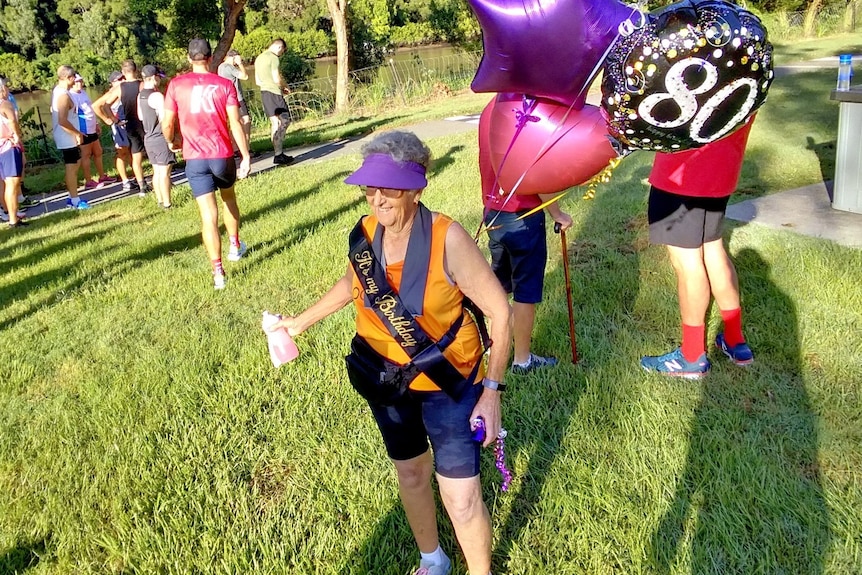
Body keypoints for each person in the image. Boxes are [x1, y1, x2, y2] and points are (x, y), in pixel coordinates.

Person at [270, 131, 513, 575]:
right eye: (370, 188)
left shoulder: (449, 239)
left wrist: (492, 391)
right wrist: (300, 321)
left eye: (389, 189)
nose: (377, 200)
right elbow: (353, 285)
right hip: (383, 378)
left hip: (449, 383)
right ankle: (432, 560)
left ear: (417, 188)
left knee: (461, 496)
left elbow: (500, 313)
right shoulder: (365, 234)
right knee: (411, 473)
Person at [640, 119, 756, 379]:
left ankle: (692, 357)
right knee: (713, 248)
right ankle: (735, 341)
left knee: (687, 262)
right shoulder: (752, 74)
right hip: (722, 171)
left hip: (680, 175)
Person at [478, 106, 572, 374]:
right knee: (525, 291)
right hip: (523, 214)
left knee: (498, 286)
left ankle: (492, 348)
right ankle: (522, 358)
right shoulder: (524, 114)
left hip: (493, 212)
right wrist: (558, 213)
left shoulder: (491, 109)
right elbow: (535, 176)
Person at [162, 38, 251, 290]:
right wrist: (245, 155)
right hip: (221, 155)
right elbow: (235, 123)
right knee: (229, 199)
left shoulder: (176, 85)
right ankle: (235, 246)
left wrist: (171, 141)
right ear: (211, 58)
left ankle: (218, 272)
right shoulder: (224, 84)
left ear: (189, 58)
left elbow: (167, 123)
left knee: (208, 217)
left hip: (195, 158)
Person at [94, 61, 147, 195]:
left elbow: (105, 106)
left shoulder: (123, 88)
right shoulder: (136, 86)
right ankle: (133, 183)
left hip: (129, 124)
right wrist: (111, 120)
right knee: (128, 153)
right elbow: (97, 106)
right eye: (118, 79)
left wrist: (114, 120)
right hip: (132, 123)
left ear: (124, 73)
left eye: (121, 77)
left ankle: (140, 183)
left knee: (134, 154)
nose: (121, 80)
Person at [51, 65, 90, 210]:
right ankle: (74, 200)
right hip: (66, 137)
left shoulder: (59, 91)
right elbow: (62, 120)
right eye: (74, 76)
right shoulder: (63, 95)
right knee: (71, 168)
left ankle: (72, 195)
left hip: (68, 136)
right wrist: (77, 133)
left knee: (76, 163)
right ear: (69, 78)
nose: (76, 79)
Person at [138, 65, 175, 208]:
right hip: (160, 137)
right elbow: (164, 120)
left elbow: (141, 117)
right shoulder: (157, 96)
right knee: (165, 172)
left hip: (148, 137)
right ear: (153, 78)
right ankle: (167, 204)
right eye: (159, 77)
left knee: (157, 171)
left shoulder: (140, 95)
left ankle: (160, 200)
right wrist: (170, 140)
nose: (160, 80)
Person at [69, 74, 114, 190]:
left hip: (91, 126)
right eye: (76, 82)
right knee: (86, 154)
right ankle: (88, 180)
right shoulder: (71, 96)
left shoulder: (83, 93)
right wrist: (77, 132)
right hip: (83, 129)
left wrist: (96, 123)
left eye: (80, 81)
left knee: (98, 151)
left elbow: (90, 109)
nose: (79, 84)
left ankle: (102, 176)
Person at [254, 39, 294, 165]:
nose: (282, 53)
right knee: (285, 121)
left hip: (264, 93)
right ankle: (278, 154)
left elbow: (257, 81)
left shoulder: (259, 58)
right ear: (279, 47)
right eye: (283, 51)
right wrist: (285, 87)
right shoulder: (273, 58)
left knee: (275, 123)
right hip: (274, 93)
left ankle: (278, 153)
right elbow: (277, 79)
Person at [0, 78, 27, 227]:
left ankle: (9, 213)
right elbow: (12, 122)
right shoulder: (5, 104)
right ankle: (13, 219)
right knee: (12, 183)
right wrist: (17, 136)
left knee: (3, 183)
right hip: (8, 146)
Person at [217, 49, 251, 155]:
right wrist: (240, 64)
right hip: (237, 98)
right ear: (234, 57)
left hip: (227, 99)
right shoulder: (229, 67)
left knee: (234, 122)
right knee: (246, 120)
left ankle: (235, 148)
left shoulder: (221, 67)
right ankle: (245, 148)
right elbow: (245, 76)